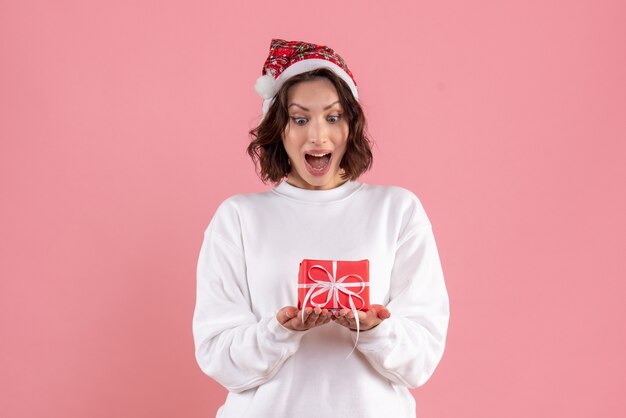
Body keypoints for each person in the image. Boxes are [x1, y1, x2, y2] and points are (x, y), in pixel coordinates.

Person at [192, 38, 450, 418]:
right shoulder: (238, 218)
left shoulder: (397, 211)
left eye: (333, 117)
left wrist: (375, 329)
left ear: (352, 124)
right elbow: (217, 354)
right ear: (277, 127)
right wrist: (278, 331)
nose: (317, 136)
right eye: (300, 119)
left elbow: (420, 361)